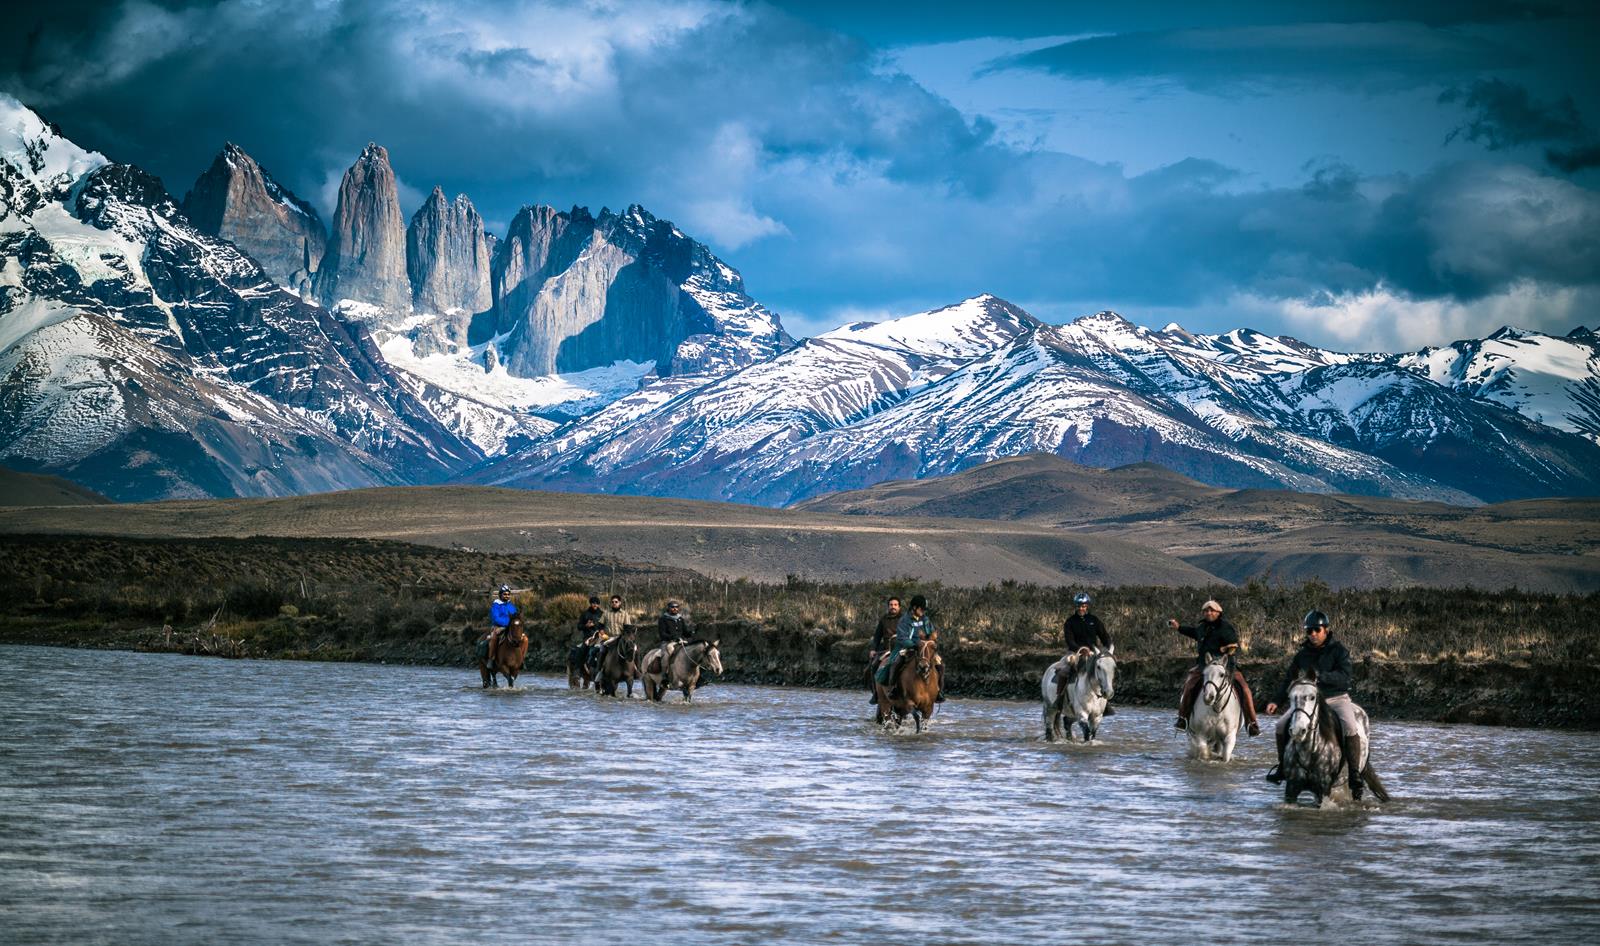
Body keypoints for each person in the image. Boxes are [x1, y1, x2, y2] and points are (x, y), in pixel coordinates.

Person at [1263, 610, 1368, 797]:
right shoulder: (1302, 655)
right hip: (1307, 702)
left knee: (1351, 727)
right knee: (1280, 725)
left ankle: (1354, 774)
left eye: (1316, 630)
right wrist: (1276, 701)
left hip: (1335, 699)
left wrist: (1321, 677)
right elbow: (1290, 680)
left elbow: (1345, 677)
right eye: (1308, 630)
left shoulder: (1339, 651)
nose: (1312, 634)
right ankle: (1282, 768)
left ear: (1326, 630)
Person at [1168, 599, 1260, 736]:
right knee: (1189, 686)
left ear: (1218, 612)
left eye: (1212, 610)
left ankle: (1252, 724)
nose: (1208, 613)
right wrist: (1178, 627)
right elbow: (1193, 632)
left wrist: (1226, 648)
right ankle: (1183, 719)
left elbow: (1234, 645)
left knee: (1245, 690)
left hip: (1225, 667)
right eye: (1206, 611)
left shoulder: (1226, 627)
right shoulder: (1201, 628)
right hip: (1204, 666)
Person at [876, 595, 946, 702]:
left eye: (923, 609)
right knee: (895, 662)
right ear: (914, 608)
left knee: (940, 665)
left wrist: (931, 641)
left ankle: (939, 691)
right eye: (921, 609)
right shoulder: (904, 620)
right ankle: (893, 688)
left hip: (924, 648)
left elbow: (930, 633)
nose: (923, 611)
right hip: (907, 647)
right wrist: (914, 645)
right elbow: (902, 637)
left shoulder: (926, 620)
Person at [1062, 592, 1115, 714]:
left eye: (1084, 605)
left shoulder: (1094, 620)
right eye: (1079, 606)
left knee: (1106, 671)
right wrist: (1081, 650)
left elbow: (1105, 637)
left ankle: (1105, 703)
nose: (1081, 608)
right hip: (1075, 652)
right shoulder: (1070, 622)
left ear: (1087, 606)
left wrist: (1108, 651)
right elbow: (1069, 641)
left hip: (1093, 654)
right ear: (1075, 606)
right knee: (1064, 670)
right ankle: (1059, 700)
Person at [866, 596, 902, 705]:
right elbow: (877, 636)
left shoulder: (905, 619)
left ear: (899, 607)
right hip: (887, 649)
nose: (893, 607)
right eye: (891, 605)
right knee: (874, 665)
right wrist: (873, 649)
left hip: (902, 649)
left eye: (895, 605)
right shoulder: (883, 619)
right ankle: (876, 693)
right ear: (888, 606)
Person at [655, 600, 693, 680]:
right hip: (667, 642)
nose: (675, 609)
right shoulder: (663, 619)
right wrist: (673, 637)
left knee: (694, 651)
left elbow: (685, 632)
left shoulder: (680, 619)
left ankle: (697, 675)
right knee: (666, 655)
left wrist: (692, 632)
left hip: (680, 642)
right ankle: (664, 676)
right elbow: (662, 634)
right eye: (672, 607)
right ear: (668, 608)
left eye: (676, 607)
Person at [486, 584, 518, 662]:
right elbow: (496, 618)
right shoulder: (496, 605)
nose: (506, 596)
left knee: (523, 639)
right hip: (498, 626)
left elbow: (515, 617)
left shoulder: (511, 606)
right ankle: (491, 658)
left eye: (508, 594)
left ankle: (520, 659)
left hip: (510, 627)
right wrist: (506, 624)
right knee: (494, 637)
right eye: (505, 594)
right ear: (500, 595)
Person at [578, 596, 609, 672]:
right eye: (593, 603)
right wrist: (586, 626)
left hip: (600, 637)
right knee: (583, 649)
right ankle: (578, 669)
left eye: (597, 603)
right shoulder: (585, 614)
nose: (595, 605)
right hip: (588, 636)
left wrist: (601, 630)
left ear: (598, 605)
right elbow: (579, 626)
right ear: (590, 604)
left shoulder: (602, 614)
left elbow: (606, 626)